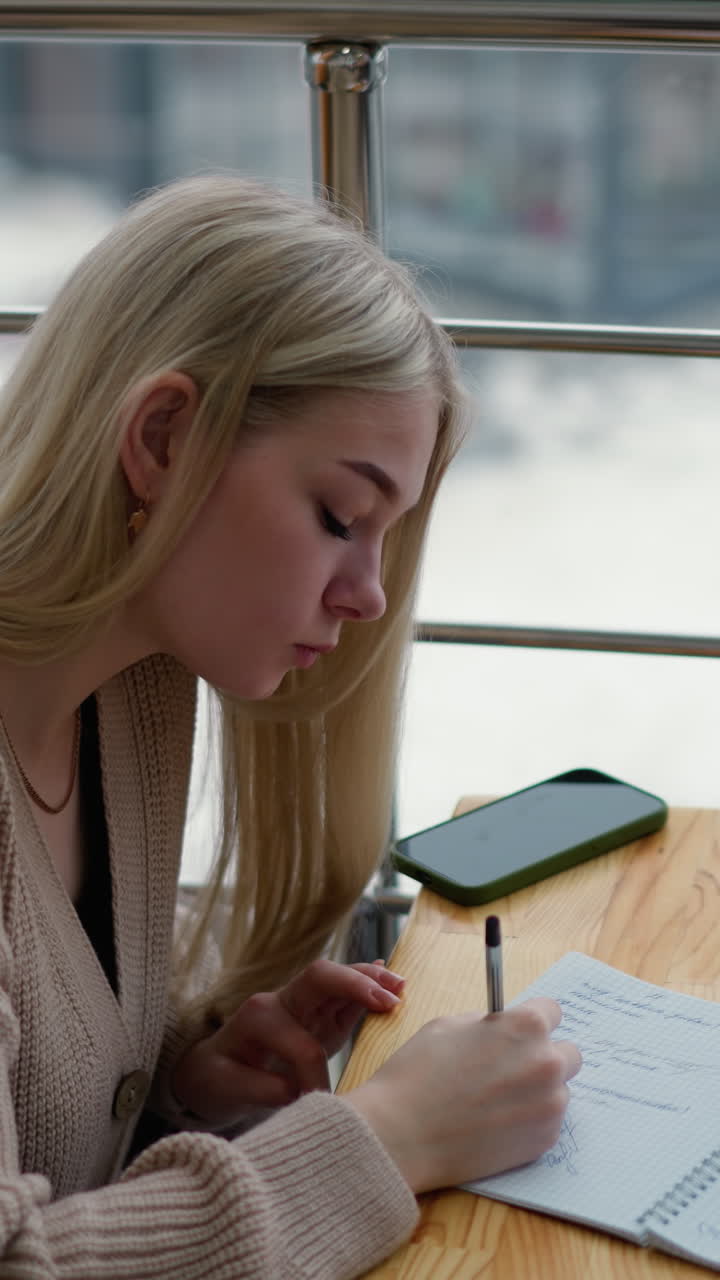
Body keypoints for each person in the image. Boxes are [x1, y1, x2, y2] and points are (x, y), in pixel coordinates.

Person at [0, 174, 581, 1279]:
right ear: (165, 435)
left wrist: (184, 1091)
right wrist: (386, 1136)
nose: (367, 595)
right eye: (338, 518)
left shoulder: (136, 690)